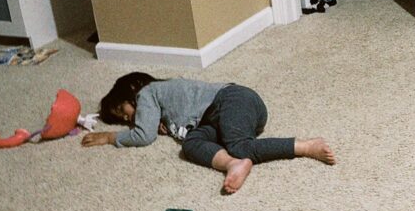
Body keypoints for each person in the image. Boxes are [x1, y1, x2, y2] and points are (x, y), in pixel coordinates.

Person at [82, 72, 335, 194]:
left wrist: (110, 137)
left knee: (240, 144)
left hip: (232, 99)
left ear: (132, 89)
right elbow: (174, 125)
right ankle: (232, 164)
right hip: (217, 117)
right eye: (123, 121)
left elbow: (143, 136)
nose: (129, 119)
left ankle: (305, 146)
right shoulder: (164, 105)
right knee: (191, 144)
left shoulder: (146, 93)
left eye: (123, 112)